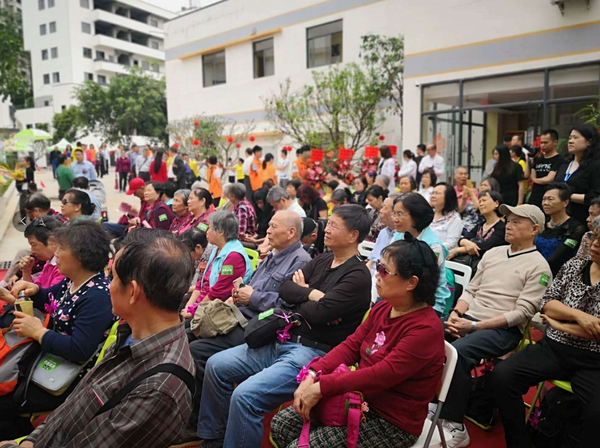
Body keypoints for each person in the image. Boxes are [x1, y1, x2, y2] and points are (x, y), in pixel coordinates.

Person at [0, 231, 197, 448]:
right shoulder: (129, 333)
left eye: (112, 277)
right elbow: (74, 406)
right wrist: (32, 440)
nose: (108, 285)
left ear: (132, 292)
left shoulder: (156, 389)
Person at [196, 205, 372, 448]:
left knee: (246, 396)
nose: (326, 229)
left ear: (353, 235)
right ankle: (215, 437)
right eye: (328, 223)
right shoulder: (322, 259)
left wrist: (303, 296)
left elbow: (321, 312)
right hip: (283, 337)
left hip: (313, 353)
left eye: (333, 225)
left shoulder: (358, 276)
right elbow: (287, 290)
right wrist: (312, 295)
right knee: (217, 365)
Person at [272, 237, 445, 448]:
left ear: (411, 282)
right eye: (378, 266)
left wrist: (321, 388)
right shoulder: (383, 308)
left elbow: (381, 375)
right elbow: (351, 345)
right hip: (355, 398)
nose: (377, 275)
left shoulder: (425, 329)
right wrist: (312, 373)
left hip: (389, 421)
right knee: (281, 425)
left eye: (384, 271)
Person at [439, 204, 552, 447]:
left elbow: (521, 314)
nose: (508, 225)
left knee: (459, 352)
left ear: (534, 229)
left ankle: (454, 424)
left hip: (502, 331)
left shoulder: (539, 266)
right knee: (426, 332)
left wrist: (475, 326)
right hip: (470, 320)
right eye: (508, 220)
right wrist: (456, 313)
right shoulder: (494, 253)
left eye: (516, 221)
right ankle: (430, 399)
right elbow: (471, 289)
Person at [186, 211, 310, 429]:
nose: (267, 231)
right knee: (185, 336)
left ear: (291, 232)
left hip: (258, 327)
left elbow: (289, 307)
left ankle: (207, 425)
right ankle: (192, 413)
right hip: (239, 315)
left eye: (272, 226)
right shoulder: (272, 255)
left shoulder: (301, 262)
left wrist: (252, 297)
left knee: (197, 351)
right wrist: (242, 293)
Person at [0, 221, 113, 439]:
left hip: (63, 378)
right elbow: (49, 298)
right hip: (45, 359)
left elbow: (80, 349)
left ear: (80, 256)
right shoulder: (74, 282)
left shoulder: (98, 296)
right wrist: (34, 289)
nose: (57, 255)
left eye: (61, 249)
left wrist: (39, 333)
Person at [492, 221, 600, 448]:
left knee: (596, 414)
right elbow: (547, 303)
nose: (596, 244)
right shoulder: (575, 265)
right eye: (595, 237)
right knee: (503, 376)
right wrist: (580, 316)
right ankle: (518, 442)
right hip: (553, 349)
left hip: (593, 363)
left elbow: (597, 332)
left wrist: (560, 325)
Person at [181, 211, 253, 320]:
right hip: (203, 302)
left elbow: (219, 292)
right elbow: (203, 281)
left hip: (217, 309)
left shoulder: (234, 257)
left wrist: (193, 311)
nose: (206, 232)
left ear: (220, 232)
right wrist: (189, 305)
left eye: (209, 228)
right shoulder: (217, 248)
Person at [392, 193, 451, 317]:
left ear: (416, 216)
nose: (395, 219)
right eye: (394, 213)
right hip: (402, 295)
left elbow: (430, 284)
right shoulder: (398, 235)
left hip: (428, 303)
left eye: (400, 214)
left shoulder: (434, 246)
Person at [448, 190, 506, 272]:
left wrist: (456, 251)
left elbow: (484, 246)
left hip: (491, 268)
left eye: (484, 200)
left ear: (496, 203)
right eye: (479, 201)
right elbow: (461, 240)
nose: (481, 204)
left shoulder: (502, 227)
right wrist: (467, 243)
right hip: (473, 265)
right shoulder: (480, 225)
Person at [535, 182, 586, 275]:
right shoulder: (540, 224)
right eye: (544, 199)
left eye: (550, 199)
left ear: (565, 202)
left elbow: (558, 256)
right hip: (533, 271)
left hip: (559, 275)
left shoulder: (576, 228)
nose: (545, 203)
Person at [555, 124, 600, 225]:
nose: (570, 141)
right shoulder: (565, 164)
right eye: (570, 138)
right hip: (558, 218)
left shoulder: (595, 166)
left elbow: (596, 196)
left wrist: (567, 196)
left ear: (589, 141)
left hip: (580, 219)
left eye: (575, 138)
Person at [19, 216, 66, 288]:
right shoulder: (49, 263)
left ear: (52, 241)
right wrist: (27, 271)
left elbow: (50, 297)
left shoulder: (63, 267)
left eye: (34, 245)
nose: (32, 251)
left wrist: (10, 298)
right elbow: (36, 289)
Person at [528, 129, 564, 209]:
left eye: (546, 143)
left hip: (548, 199)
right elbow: (527, 175)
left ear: (555, 142)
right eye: (541, 143)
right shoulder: (538, 159)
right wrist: (529, 159)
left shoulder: (559, 159)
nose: (542, 145)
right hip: (534, 198)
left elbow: (549, 179)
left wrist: (534, 180)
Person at [430, 182, 464, 251]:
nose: (433, 196)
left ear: (448, 197)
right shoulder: (427, 214)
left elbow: (451, 244)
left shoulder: (454, 218)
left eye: (437, 193)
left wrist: (428, 248)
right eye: (432, 193)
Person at [454, 166, 479, 234]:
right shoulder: (453, 191)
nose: (464, 176)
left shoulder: (474, 191)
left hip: (472, 221)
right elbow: (458, 211)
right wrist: (463, 199)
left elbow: (478, 209)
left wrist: (471, 195)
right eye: (461, 174)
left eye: (465, 174)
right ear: (455, 176)